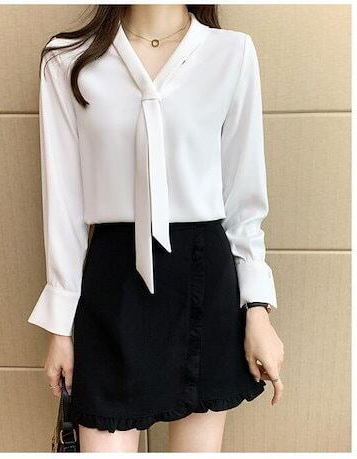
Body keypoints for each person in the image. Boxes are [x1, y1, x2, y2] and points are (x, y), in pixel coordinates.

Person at [27, 4, 285, 453]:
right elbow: (63, 202)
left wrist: (257, 309)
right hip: (112, 282)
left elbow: (243, 200)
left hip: (204, 278)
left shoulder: (232, 53)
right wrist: (60, 328)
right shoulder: (67, 60)